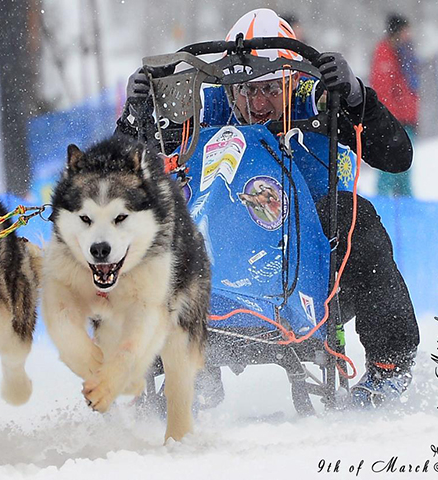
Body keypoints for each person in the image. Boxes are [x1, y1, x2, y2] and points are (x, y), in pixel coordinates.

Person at [116, 8, 420, 409]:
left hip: (310, 260)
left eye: (268, 89)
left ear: (291, 80)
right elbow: (120, 177)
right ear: (228, 88)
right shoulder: (205, 108)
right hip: (218, 255)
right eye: (244, 90)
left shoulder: (318, 101)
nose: (256, 102)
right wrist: (133, 119)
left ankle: (389, 368)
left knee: (357, 218)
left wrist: (360, 98)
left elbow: (397, 157)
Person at [370, 14, 419, 197]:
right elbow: (383, 90)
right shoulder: (385, 53)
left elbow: (410, 89)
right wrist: (387, 119)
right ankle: (386, 206)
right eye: (405, 31)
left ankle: (405, 207)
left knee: (405, 169)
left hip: (406, 121)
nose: (409, 35)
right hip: (392, 121)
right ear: (396, 32)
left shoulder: (405, 52)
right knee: (389, 167)